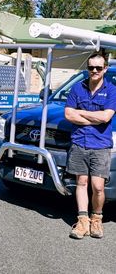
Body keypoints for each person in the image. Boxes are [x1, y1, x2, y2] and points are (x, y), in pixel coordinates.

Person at [65, 53, 116, 239]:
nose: (94, 71)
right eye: (91, 67)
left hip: (101, 145)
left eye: (98, 68)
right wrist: (92, 119)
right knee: (81, 182)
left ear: (105, 69)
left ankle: (97, 218)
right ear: (87, 68)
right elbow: (69, 115)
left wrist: (81, 113)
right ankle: (82, 221)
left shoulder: (111, 90)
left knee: (98, 187)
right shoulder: (77, 88)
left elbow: (106, 117)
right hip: (79, 142)